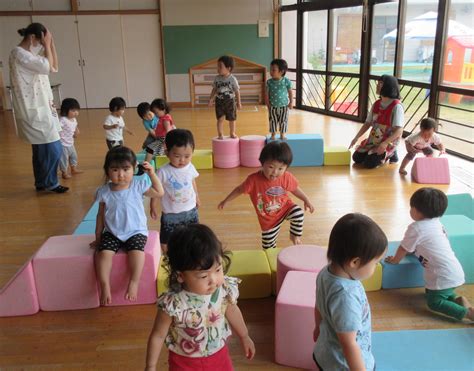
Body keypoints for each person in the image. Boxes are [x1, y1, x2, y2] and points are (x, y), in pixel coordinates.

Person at [145, 224, 255, 370]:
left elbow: (232, 310)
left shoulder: (222, 290)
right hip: (183, 362)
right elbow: (158, 335)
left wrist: (244, 336)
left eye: (218, 269)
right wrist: (150, 366)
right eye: (204, 276)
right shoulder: (174, 304)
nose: (214, 280)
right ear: (181, 276)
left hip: (219, 355)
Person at [90, 146, 164, 305]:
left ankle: (134, 282)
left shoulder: (138, 186)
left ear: (134, 169)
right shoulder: (103, 191)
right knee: (103, 255)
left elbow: (159, 193)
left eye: (126, 169)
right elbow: (100, 215)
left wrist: (151, 173)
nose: (121, 174)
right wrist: (98, 237)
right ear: (107, 171)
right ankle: (105, 285)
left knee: (137, 252)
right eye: (115, 169)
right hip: (112, 232)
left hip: (136, 232)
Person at [385, 188, 473, 321]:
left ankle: (467, 314)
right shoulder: (437, 223)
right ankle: (457, 299)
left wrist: (395, 260)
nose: (410, 210)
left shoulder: (416, 227)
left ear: (417, 211)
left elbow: (404, 248)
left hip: (442, 275)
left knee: (434, 303)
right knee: (432, 293)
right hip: (453, 271)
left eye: (411, 208)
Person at [313, 213, 387, 371]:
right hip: (343, 364)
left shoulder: (325, 273)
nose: (376, 267)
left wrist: (317, 327)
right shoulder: (346, 296)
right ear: (355, 262)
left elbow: (318, 305)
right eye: (375, 263)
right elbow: (349, 344)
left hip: (325, 352)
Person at [218, 141, 314, 249]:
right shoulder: (253, 180)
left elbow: (295, 189)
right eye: (271, 167)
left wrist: (306, 200)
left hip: (285, 209)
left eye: (280, 169)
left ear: (286, 168)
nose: (275, 172)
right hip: (268, 221)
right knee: (268, 247)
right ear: (262, 163)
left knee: (298, 213)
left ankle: (294, 236)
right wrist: (226, 200)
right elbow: (239, 189)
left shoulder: (286, 177)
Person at [9, 22, 68, 193]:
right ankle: (50, 183)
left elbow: (54, 66)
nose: (42, 45)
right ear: (32, 37)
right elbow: (46, 67)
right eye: (41, 41)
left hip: (42, 107)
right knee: (53, 148)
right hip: (33, 109)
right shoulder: (19, 53)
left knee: (42, 149)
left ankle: (43, 183)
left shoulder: (30, 53)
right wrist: (47, 45)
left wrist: (51, 43)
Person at [150, 129, 200, 253]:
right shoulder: (163, 172)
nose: (182, 160)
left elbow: (192, 181)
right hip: (171, 214)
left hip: (191, 210)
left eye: (187, 156)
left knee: (193, 235)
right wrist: (152, 206)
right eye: (177, 156)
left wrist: (197, 197)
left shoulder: (190, 167)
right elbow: (156, 189)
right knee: (166, 239)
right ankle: (168, 257)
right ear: (167, 153)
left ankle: (189, 253)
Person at [349, 75, 404, 169]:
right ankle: (378, 153)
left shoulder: (397, 106)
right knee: (356, 158)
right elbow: (367, 123)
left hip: (388, 140)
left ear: (389, 86)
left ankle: (392, 153)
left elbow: (399, 130)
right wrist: (356, 138)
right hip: (375, 138)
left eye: (381, 84)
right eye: (378, 83)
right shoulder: (376, 104)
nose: (377, 86)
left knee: (369, 163)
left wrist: (385, 143)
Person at [208, 56, 241, 139]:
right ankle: (220, 134)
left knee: (232, 118)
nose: (218, 68)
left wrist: (239, 103)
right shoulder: (217, 78)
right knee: (220, 119)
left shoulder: (233, 79)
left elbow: (237, 91)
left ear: (228, 68)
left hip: (230, 101)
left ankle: (232, 133)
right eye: (217, 66)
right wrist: (211, 99)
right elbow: (214, 89)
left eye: (220, 66)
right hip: (219, 101)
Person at [266, 58, 293, 140]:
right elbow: (267, 94)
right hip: (273, 106)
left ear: (281, 71)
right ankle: (273, 134)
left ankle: (282, 134)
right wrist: (268, 104)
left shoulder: (286, 81)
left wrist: (291, 102)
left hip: (284, 106)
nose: (271, 72)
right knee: (272, 121)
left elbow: (290, 92)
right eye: (270, 69)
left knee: (283, 121)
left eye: (273, 70)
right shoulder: (269, 82)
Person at [58, 98, 83, 179]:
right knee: (64, 159)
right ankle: (64, 172)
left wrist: (76, 131)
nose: (76, 113)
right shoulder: (63, 120)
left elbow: (75, 126)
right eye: (73, 110)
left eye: (77, 110)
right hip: (63, 144)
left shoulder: (74, 119)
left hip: (70, 143)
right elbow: (57, 128)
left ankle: (73, 169)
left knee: (74, 156)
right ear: (65, 110)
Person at [144, 98, 176, 163]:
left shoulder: (166, 118)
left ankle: (145, 166)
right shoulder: (162, 117)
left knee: (150, 149)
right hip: (160, 139)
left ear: (163, 109)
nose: (155, 115)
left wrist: (166, 142)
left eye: (156, 113)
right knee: (157, 152)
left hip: (163, 139)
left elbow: (168, 131)